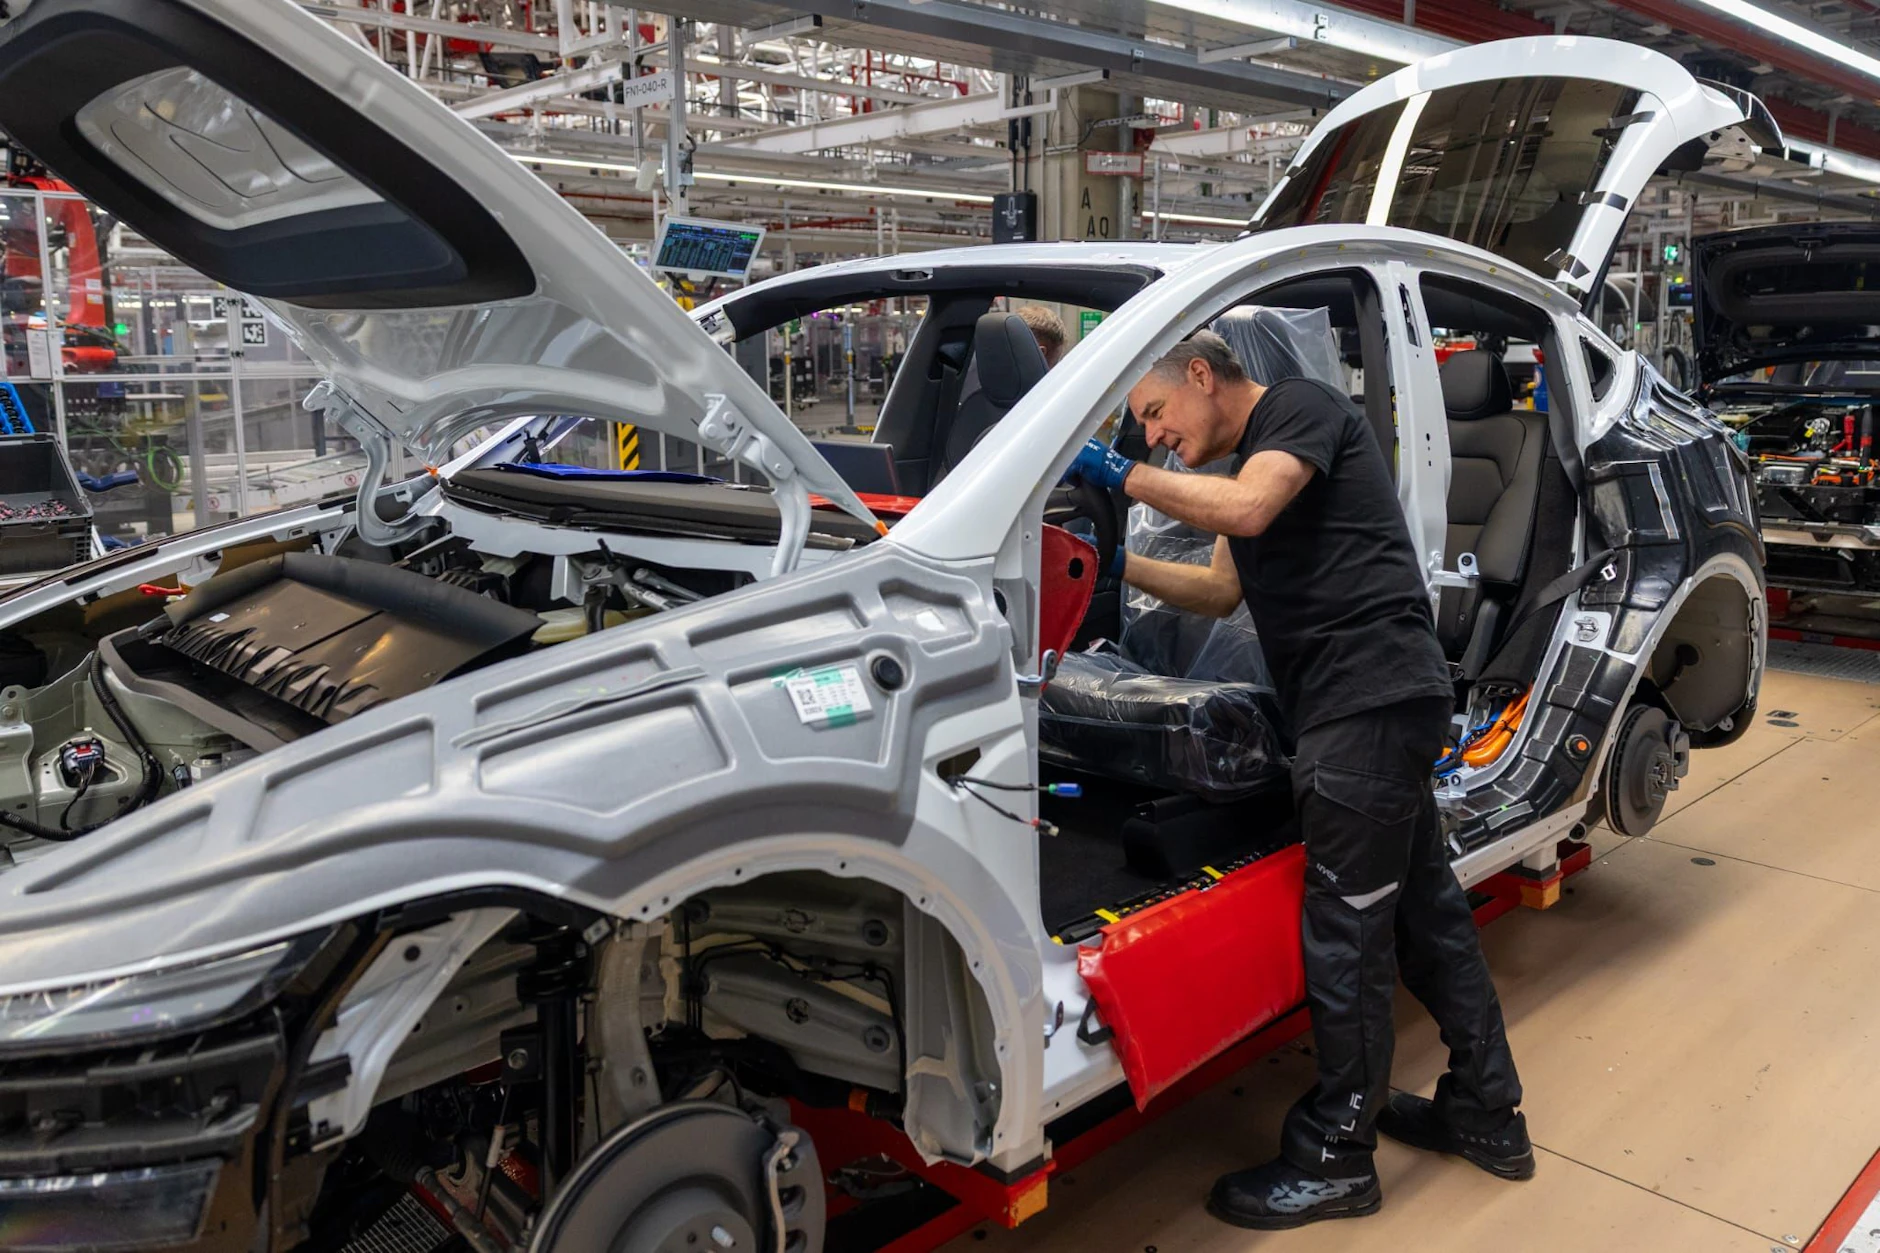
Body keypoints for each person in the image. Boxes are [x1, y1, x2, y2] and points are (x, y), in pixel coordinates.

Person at [1065, 331, 1529, 1230]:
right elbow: (1218, 592)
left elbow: (1243, 508)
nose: (1156, 437)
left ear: (1201, 375)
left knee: (1346, 933)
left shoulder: (1301, 408)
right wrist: (1111, 565)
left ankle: (1337, 1155)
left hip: (1366, 705)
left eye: (1156, 415)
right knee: (1424, 911)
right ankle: (1486, 1109)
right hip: (1368, 707)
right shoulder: (1254, 462)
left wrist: (1118, 476)